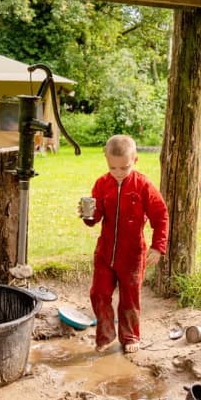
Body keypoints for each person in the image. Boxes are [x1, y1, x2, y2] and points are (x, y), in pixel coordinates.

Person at [80, 134, 168, 354]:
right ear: (107, 161)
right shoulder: (102, 184)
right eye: (113, 168)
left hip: (132, 254)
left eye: (124, 168)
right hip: (105, 251)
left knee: (130, 297)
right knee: (98, 292)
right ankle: (105, 335)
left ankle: (129, 336)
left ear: (135, 160)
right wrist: (87, 215)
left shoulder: (143, 186)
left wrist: (158, 246)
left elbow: (161, 216)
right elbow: (95, 219)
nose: (118, 173)